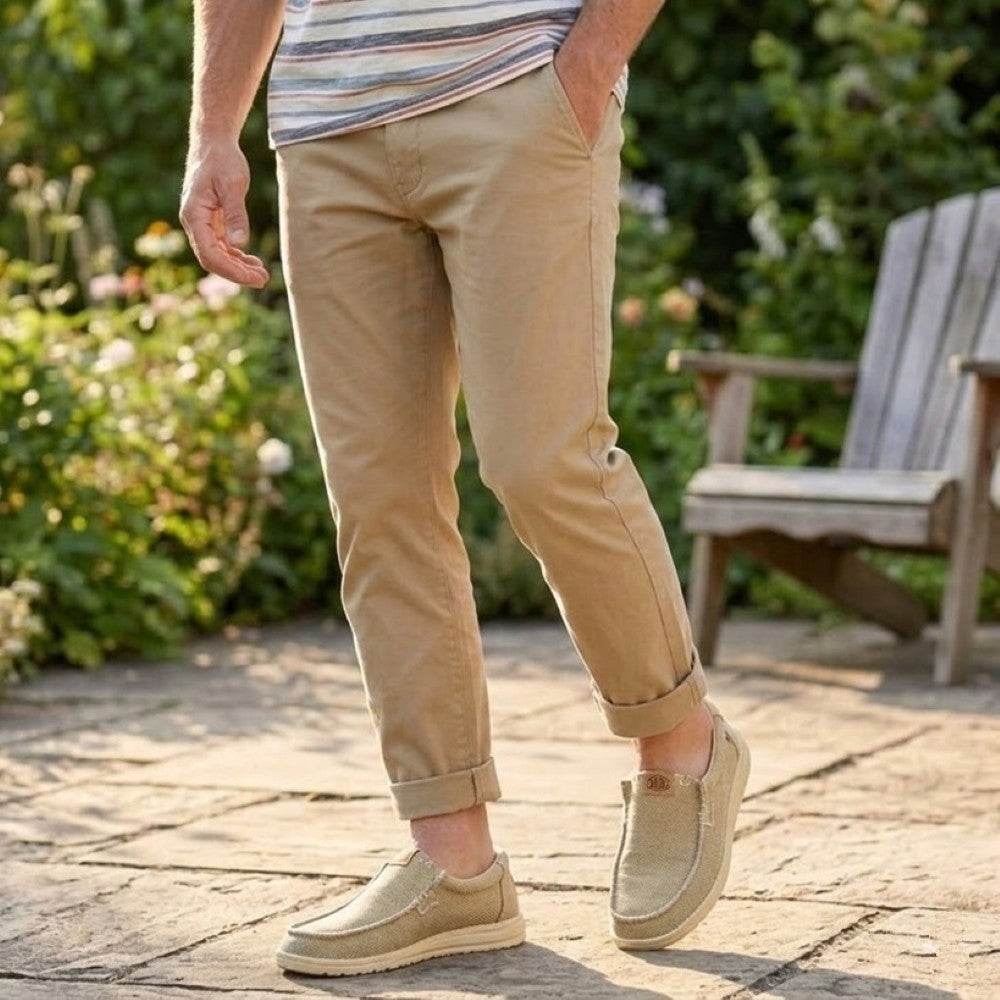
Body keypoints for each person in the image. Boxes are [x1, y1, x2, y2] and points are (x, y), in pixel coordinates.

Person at [181, 0, 751, 978]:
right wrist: (212, 131)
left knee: (542, 458)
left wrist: (589, 62)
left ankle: (681, 742)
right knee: (379, 497)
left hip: (514, 86)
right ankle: (454, 860)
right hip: (325, 124)